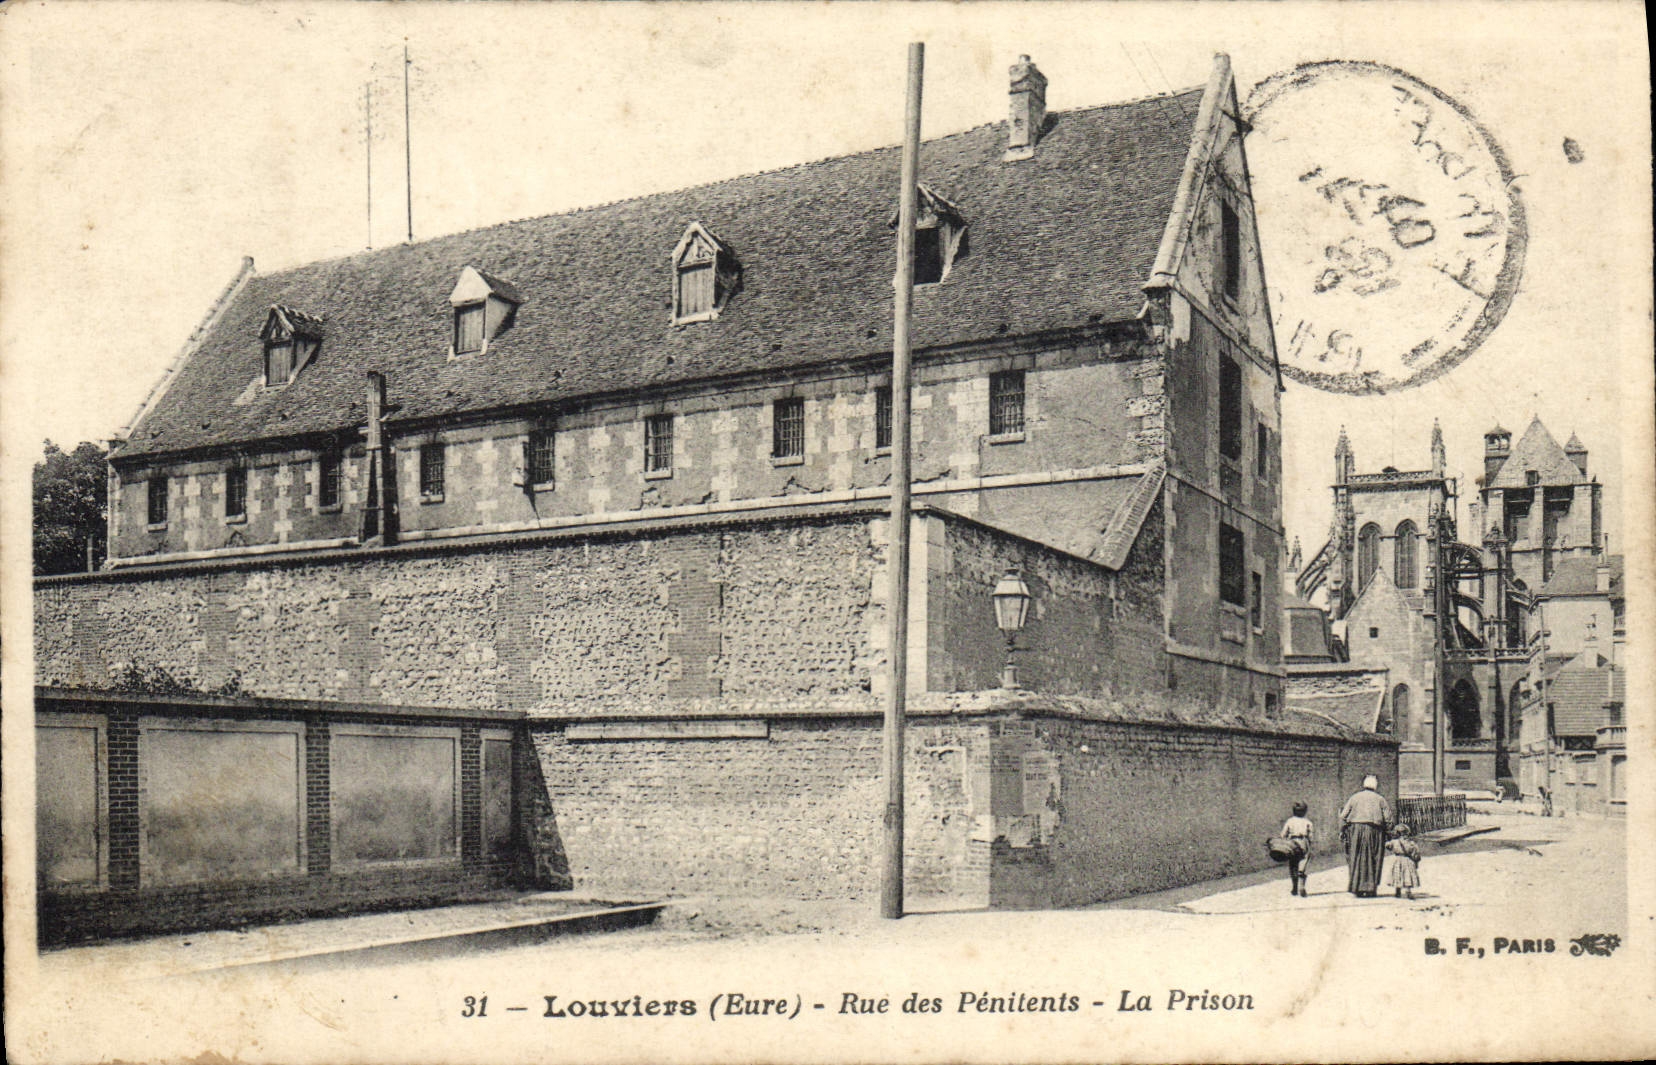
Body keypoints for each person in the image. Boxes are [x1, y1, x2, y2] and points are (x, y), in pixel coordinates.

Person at [1339, 775, 1391, 897]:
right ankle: (1371, 889)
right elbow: (1388, 819)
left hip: (1356, 831)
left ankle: (1356, 887)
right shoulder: (1380, 799)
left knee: (1356, 857)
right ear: (1375, 786)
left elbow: (1343, 816)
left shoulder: (1354, 798)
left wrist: (1342, 831)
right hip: (1375, 831)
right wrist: (1389, 832)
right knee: (1374, 858)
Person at [1281, 801, 1315, 897]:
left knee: (1293, 864)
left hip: (1292, 843)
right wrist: (1310, 844)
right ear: (1305, 811)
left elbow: (1283, 834)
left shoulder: (1290, 821)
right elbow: (1311, 836)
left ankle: (1294, 887)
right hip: (1303, 842)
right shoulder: (1308, 822)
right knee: (1303, 861)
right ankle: (1301, 885)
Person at [1386, 823, 1422, 900]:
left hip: (1398, 860)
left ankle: (1397, 891)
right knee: (1407, 875)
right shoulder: (1411, 843)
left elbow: (1388, 846)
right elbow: (1415, 852)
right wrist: (1416, 860)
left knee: (1398, 874)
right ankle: (1408, 891)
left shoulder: (1394, 842)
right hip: (1407, 860)